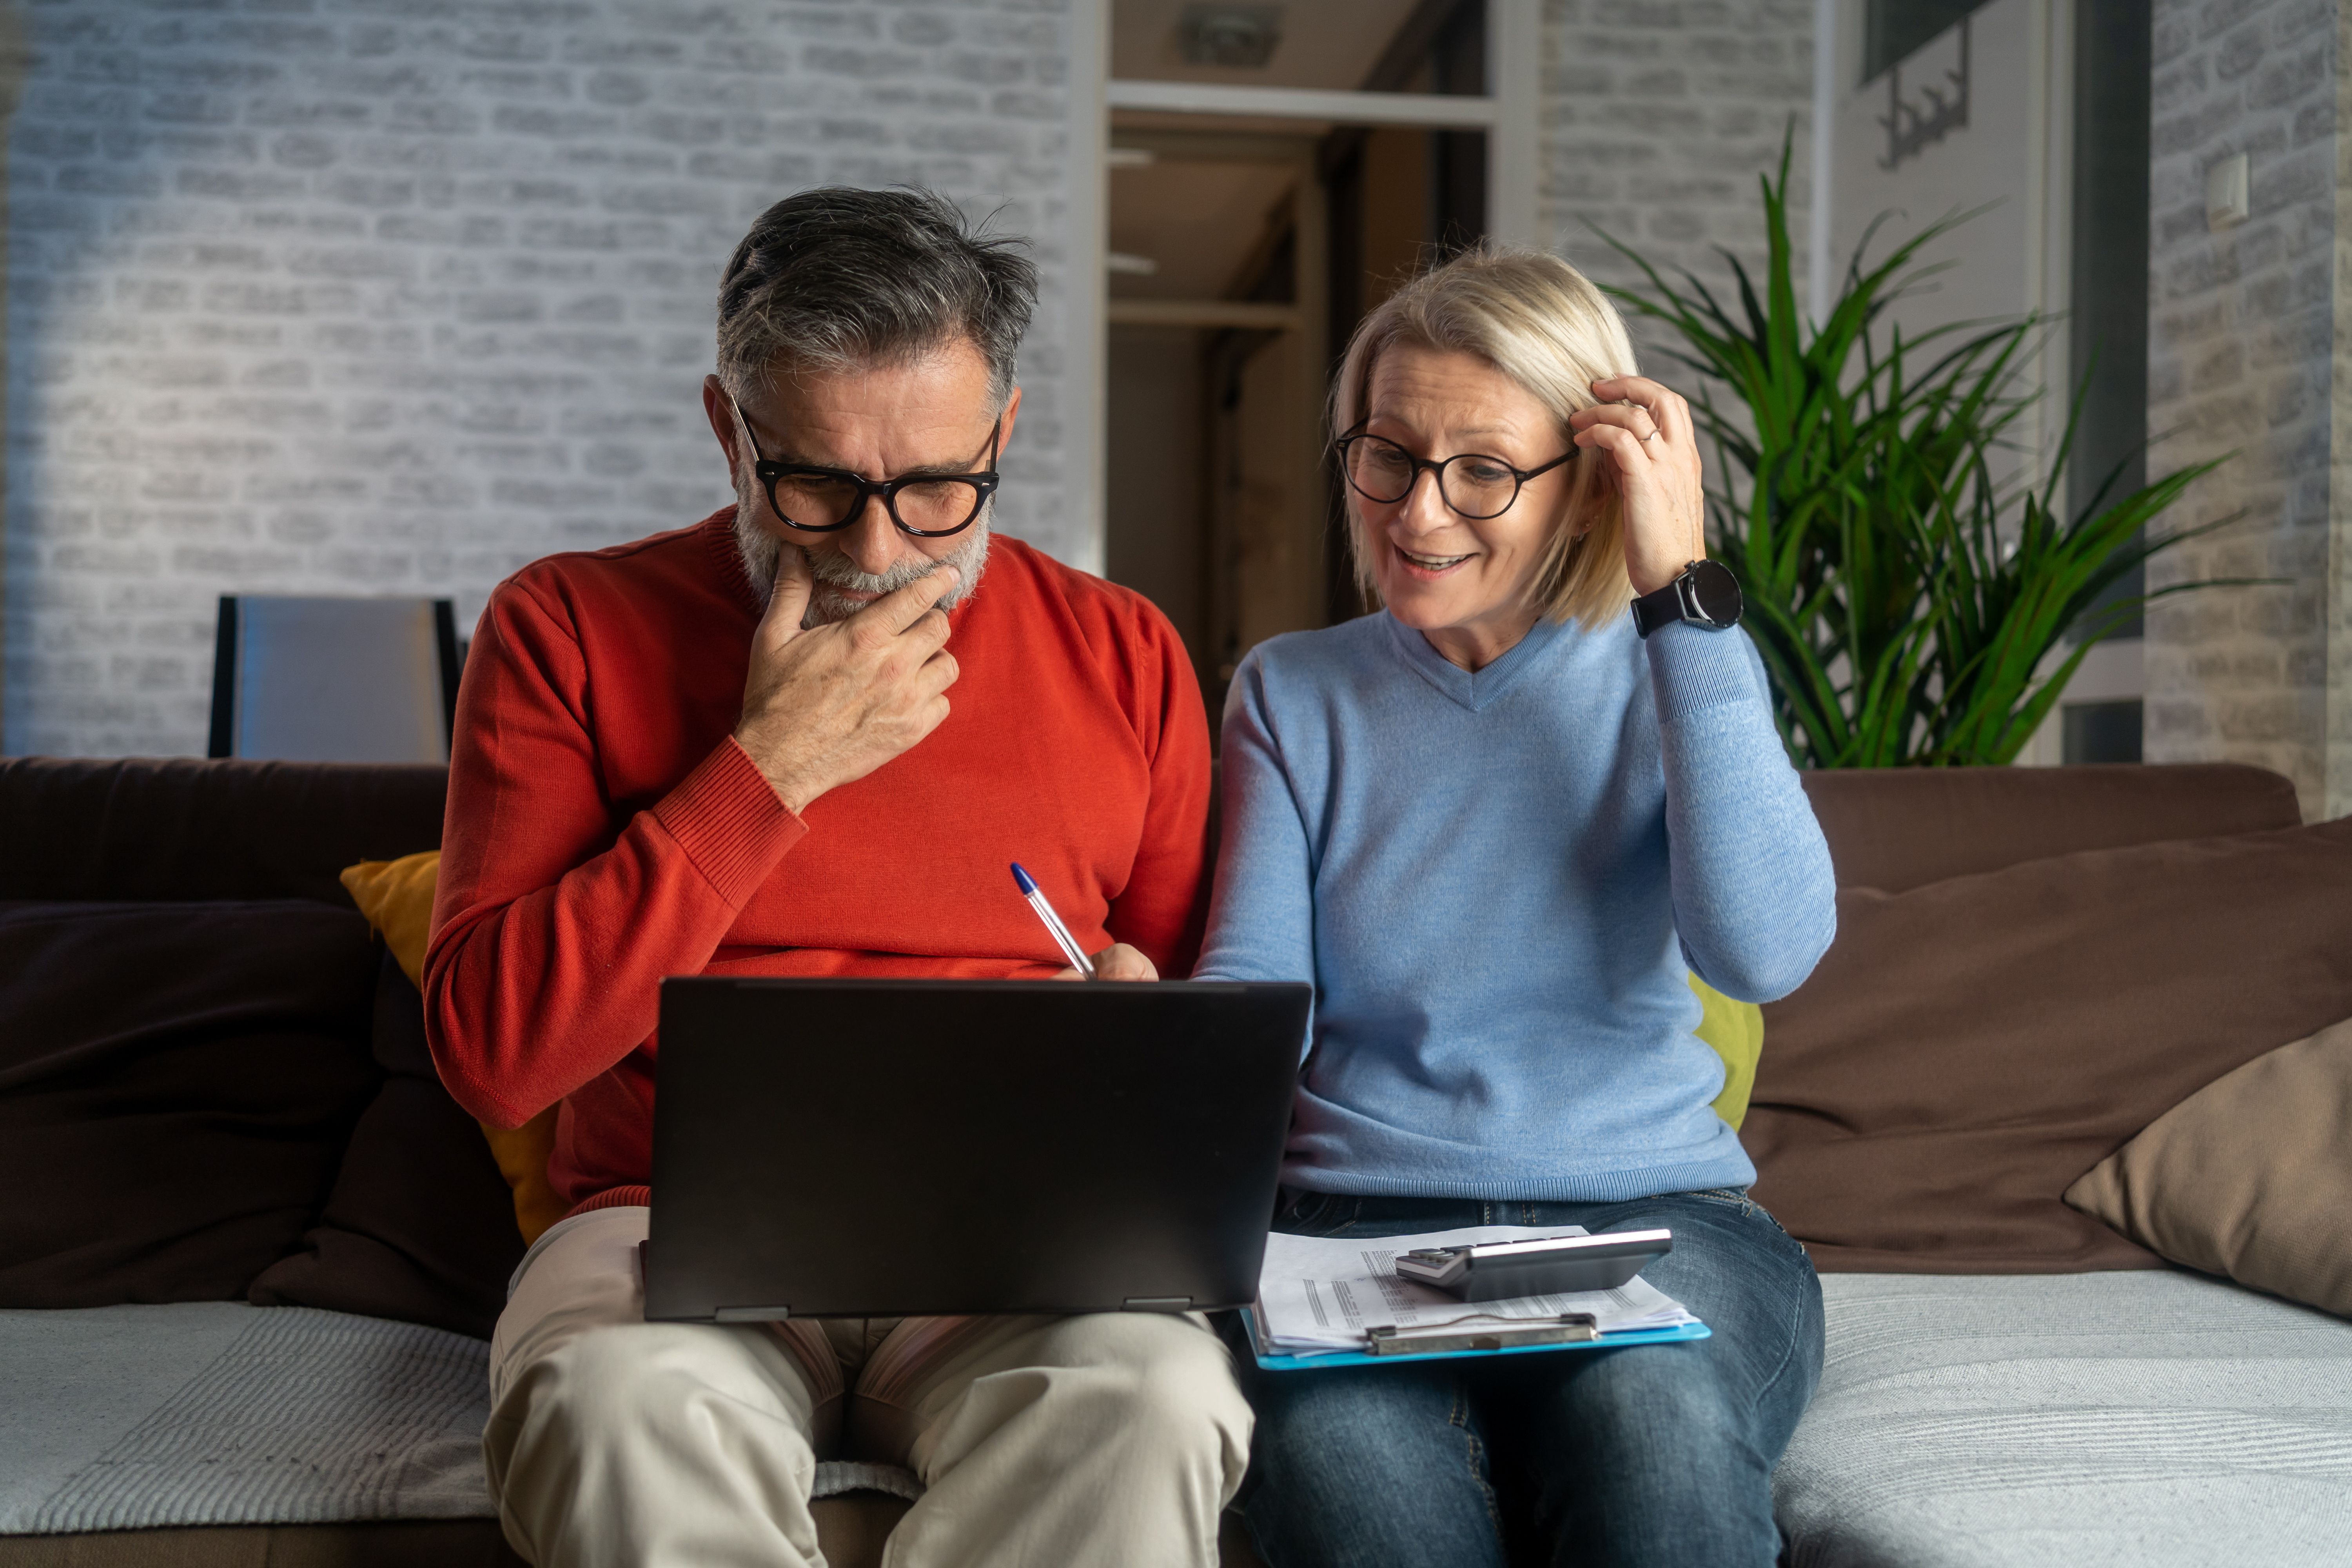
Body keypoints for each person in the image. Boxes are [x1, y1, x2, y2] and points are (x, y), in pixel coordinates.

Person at [422, 187, 1247, 1568]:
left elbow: (1191, 1030)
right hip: (663, 1240)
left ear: (1004, 434)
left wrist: (1139, 1019)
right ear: (728, 433)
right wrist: (771, 771)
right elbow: (499, 1059)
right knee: (611, 1404)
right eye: (816, 485)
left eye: (938, 490)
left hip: (1022, 1252)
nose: (880, 553)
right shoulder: (564, 624)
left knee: (1161, 1397)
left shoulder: (1126, 652)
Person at [1194, 247, 1838, 1567]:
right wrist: (1148, 1032)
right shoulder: (1291, 693)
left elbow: (1766, 951)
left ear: (1592, 481)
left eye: (1483, 470)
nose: (1419, 514)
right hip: (1358, 1234)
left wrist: (1682, 602)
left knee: (1648, 1418)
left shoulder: (1679, 668)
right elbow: (1258, 1009)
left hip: (1657, 1218)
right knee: (1343, 1465)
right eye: (1388, 455)